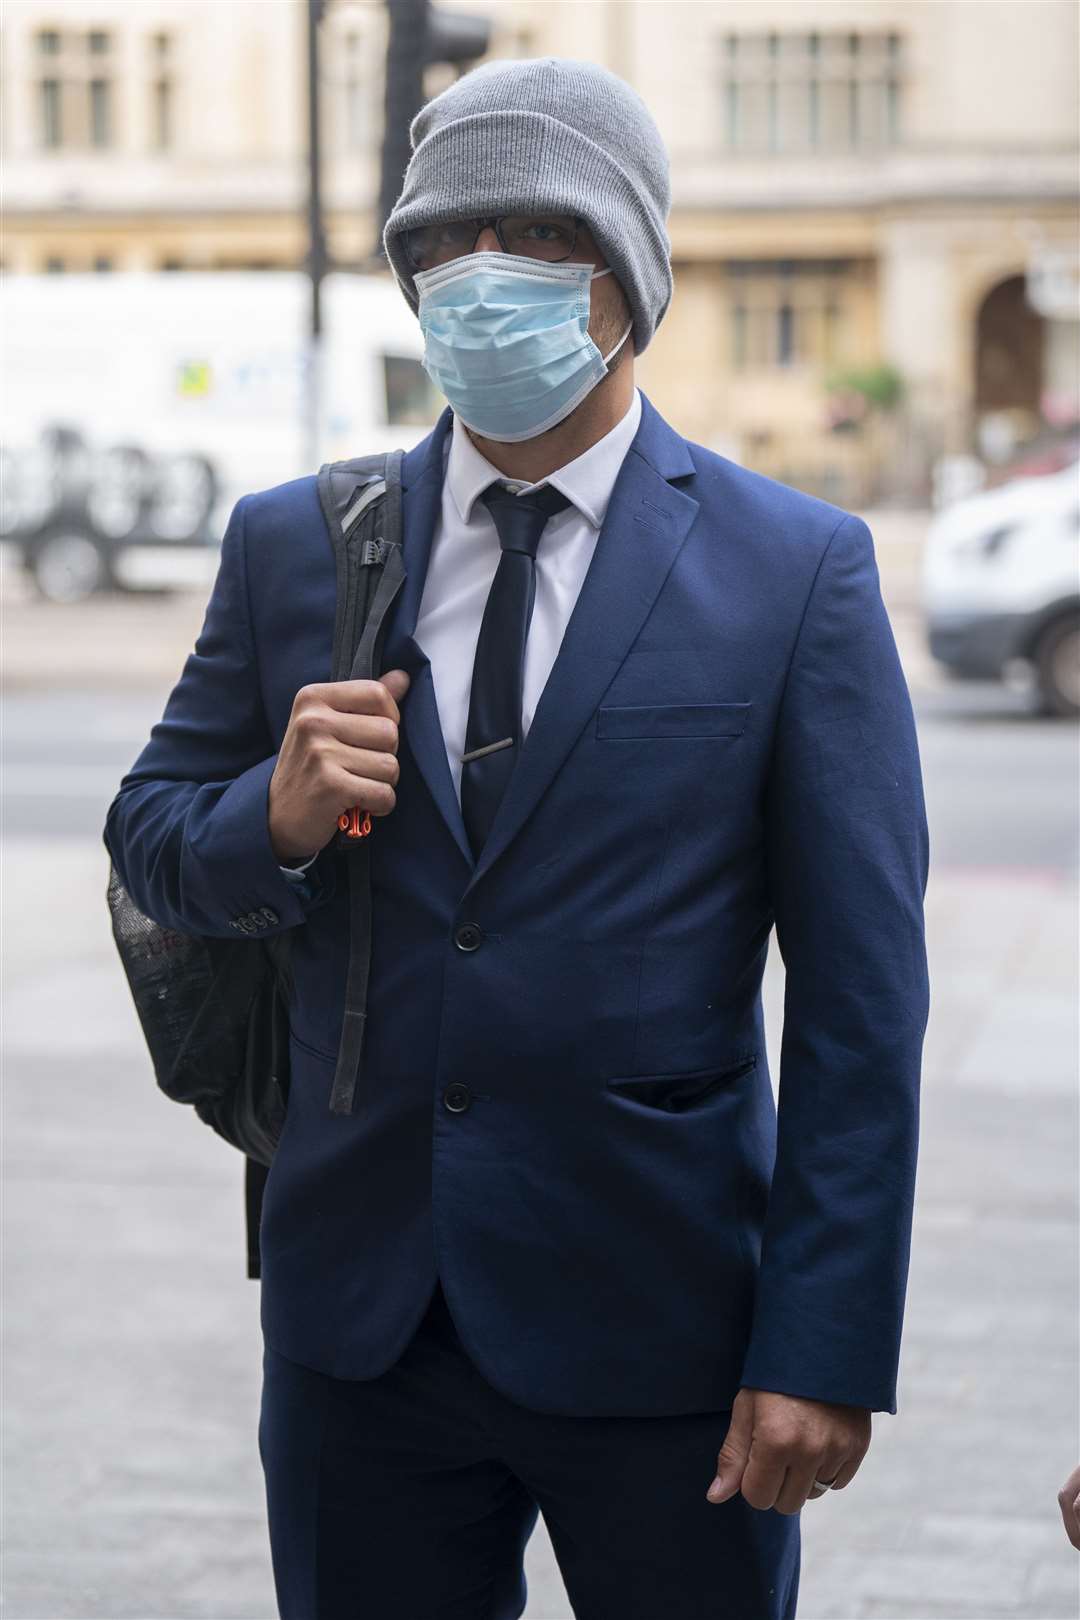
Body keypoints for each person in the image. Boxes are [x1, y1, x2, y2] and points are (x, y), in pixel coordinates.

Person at [104, 56, 930, 1620]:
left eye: (537, 240)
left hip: (668, 1329)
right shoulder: (300, 544)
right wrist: (265, 822)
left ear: (632, 277)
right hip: (362, 1326)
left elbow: (861, 1002)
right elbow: (150, 837)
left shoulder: (795, 571)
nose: (482, 280)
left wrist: (822, 1348)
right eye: (443, 245)